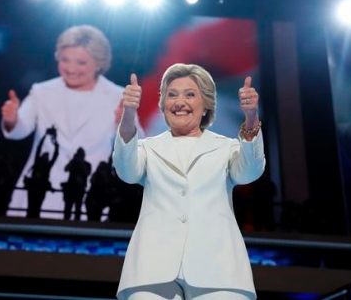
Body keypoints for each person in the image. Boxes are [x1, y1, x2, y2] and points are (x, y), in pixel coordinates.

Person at [113, 63, 265, 300]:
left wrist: (251, 117)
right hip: (153, 268)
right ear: (163, 105)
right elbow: (126, 172)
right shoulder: (148, 148)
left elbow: (250, 172)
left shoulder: (226, 147)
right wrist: (129, 114)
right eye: (172, 95)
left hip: (218, 267)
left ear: (206, 105)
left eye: (190, 94)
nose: (179, 102)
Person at [1, 25, 133, 218]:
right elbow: (19, 130)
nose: (71, 69)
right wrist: (11, 119)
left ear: (99, 63)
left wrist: (126, 124)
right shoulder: (42, 91)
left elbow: (133, 149)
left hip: (89, 197)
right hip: (37, 192)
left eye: (81, 62)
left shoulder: (118, 95)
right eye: (65, 60)